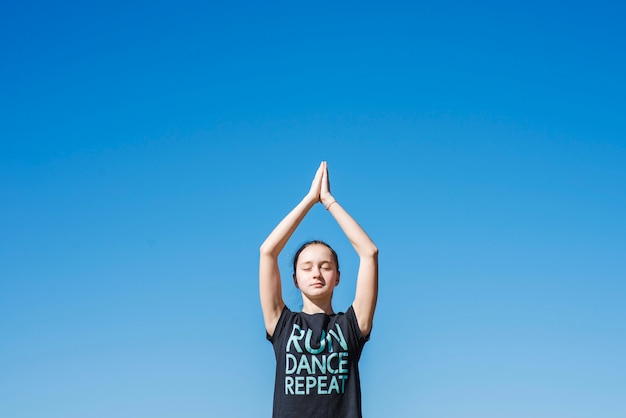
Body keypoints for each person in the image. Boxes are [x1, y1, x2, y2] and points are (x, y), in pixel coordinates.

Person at [259, 161, 378, 418]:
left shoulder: (351, 327)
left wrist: (328, 202)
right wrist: (309, 200)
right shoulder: (282, 325)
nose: (316, 273)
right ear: (294, 279)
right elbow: (267, 252)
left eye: (325, 267)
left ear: (337, 277)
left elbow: (369, 253)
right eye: (307, 267)